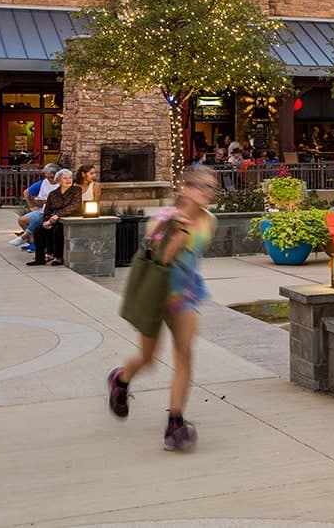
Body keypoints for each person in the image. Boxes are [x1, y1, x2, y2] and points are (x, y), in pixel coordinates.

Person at [107, 164, 219, 452]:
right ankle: (120, 380)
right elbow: (158, 262)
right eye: (200, 186)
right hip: (157, 294)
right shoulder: (162, 220)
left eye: (211, 187)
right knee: (148, 358)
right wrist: (176, 237)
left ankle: (175, 423)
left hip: (185, 295)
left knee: (185, 355)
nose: (207, 192)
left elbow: (194, 259)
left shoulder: (209, 221)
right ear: (184, 188)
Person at [27, 168, 81, 266]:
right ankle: (40, 258)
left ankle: (58, 257)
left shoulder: (76, 190)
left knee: (58, 229)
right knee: (38, 230)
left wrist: (57, 216)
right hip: (53, 219)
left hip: (69, 219)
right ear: (59, 181)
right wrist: (46, 221)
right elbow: (47, 211)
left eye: (70, 178)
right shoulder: (53, 194)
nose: (68, 180)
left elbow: (74, 206)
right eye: (65, 178)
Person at [14, 163, 60, 250]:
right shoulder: (43, 183)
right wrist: (32, 205)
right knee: (22, 220)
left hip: (54, 211)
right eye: (47, 177)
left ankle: (24, 237)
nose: (49, 179)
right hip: (43, 208)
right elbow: (26, 192)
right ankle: (32, 242)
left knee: (38, 218)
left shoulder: (61, 184)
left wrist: (46, 202)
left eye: (51, 177)